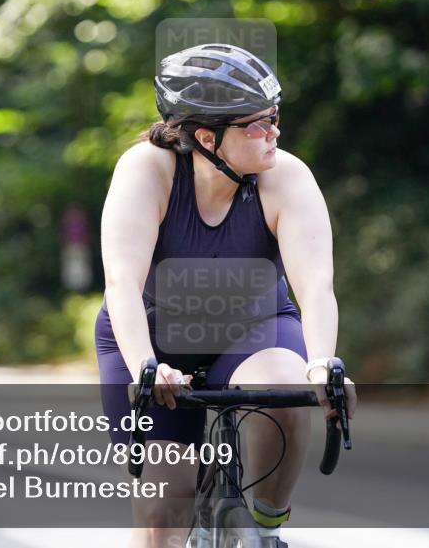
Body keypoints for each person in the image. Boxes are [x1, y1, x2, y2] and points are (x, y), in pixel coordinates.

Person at [94, 43, 356, 548]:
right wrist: (148, 365)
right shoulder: (147, 170)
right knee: (163, 515)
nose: (274, 131)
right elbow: (122, 283)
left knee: (284, 390)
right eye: (257, 124)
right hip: (154, 337)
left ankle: (265, 527)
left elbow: (316, 285)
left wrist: (322, 364)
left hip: (254, 328)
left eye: (275, 116)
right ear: (205, 137)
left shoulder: (286, 176)